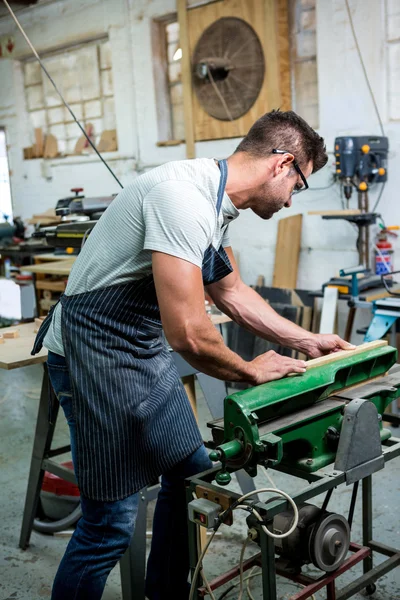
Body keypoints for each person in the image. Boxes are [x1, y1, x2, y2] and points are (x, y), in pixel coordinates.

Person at [32, 110, 354, 599]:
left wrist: (306, 340)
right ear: (282, 164)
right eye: (300, 184)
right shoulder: (182, 196)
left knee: (192, 475)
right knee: (110, 523)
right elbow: (187, 333)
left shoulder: (215, 203)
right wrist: (250, 370)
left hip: (136, 345)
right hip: (90, 351)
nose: (292, 200)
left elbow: (232, 291)